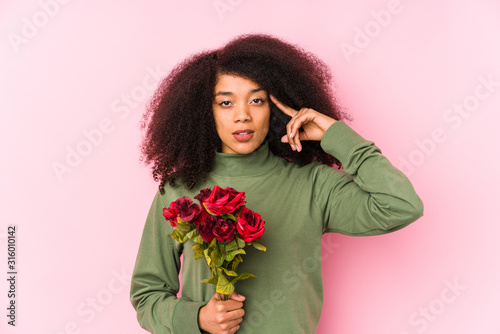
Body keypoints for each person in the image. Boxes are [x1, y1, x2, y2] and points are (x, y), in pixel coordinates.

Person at [130, 34, 424, 334]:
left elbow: (401, 206)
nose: (242, 115)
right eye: (226, 102)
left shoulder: (313, 184)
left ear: (276, 109)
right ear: (206, 112)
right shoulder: (179, 191)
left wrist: (337, 135)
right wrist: (197, 318)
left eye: (256, 100)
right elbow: (146, 295)